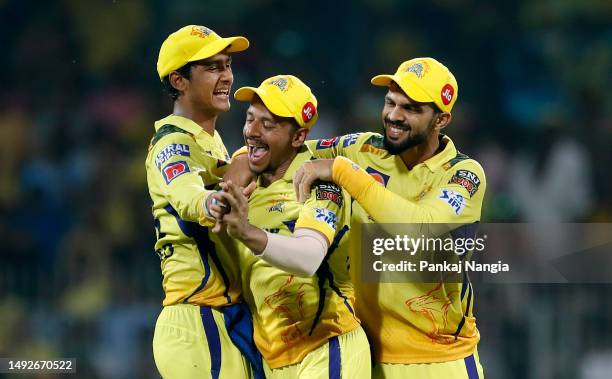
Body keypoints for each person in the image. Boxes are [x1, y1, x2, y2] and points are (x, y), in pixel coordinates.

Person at [292, 58, 487, 378]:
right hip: (366, 359)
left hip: (440, 362)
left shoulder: (463, 174)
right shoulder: (361, 149)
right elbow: (285, 154)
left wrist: (342, 172)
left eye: (410, 108)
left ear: (442, 119)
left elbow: (419, 229)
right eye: (390, 102)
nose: (394, 115)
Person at [211, 75, 371, 378]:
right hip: (274, 359)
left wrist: (247, 232)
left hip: (327, 348)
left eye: (268, 125)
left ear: (298, 137)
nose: (252, 132)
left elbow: (308, 257)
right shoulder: (247, 182)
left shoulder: (318, 183)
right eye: (250, 119)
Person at [145, 25, 263, 379]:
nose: (226, 76)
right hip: (197, 319)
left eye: (226, 65)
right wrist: (211, 203)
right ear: (179, 80)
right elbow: (187, 194)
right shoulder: (172, 143)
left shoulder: (211, 143)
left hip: (221, 318)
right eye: (212, 67)